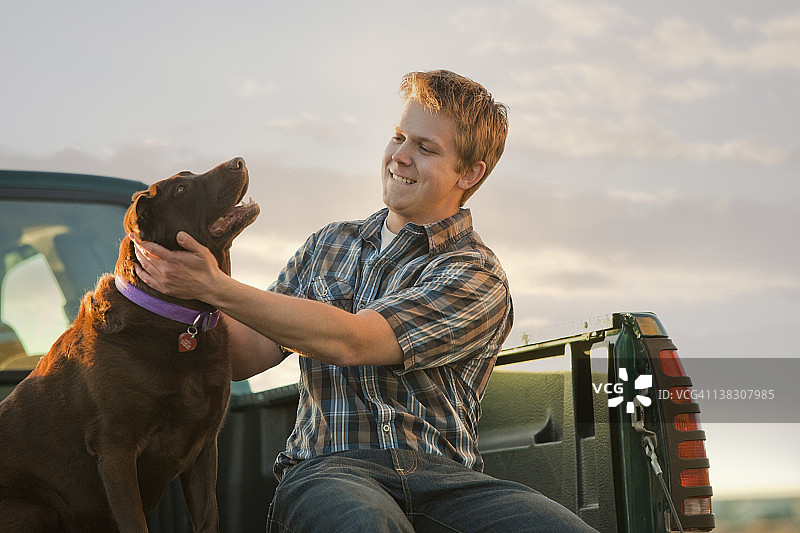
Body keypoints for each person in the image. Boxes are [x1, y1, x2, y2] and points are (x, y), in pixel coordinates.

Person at [134, 69, 597, 532]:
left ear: (470, 173)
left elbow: (355, 341)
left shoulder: (476, 274)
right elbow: (245, 354)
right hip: (329, 470)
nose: (400, 156)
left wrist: (214, 286)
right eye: (399, 137)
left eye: (426, 148)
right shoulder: (326, 245)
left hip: (447, 482)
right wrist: (168, 294)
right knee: (364, 524)